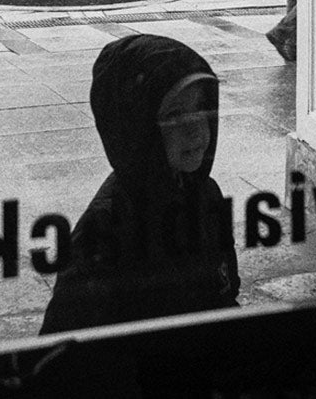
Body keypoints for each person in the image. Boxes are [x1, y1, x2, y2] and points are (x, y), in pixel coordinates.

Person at [39, 34, 239, 334]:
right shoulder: (104, 232)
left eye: (201, 107)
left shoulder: (206, 194)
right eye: (174, 115)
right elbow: (65, 343)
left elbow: (224, 292)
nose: (196, 128)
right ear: (137, 128)